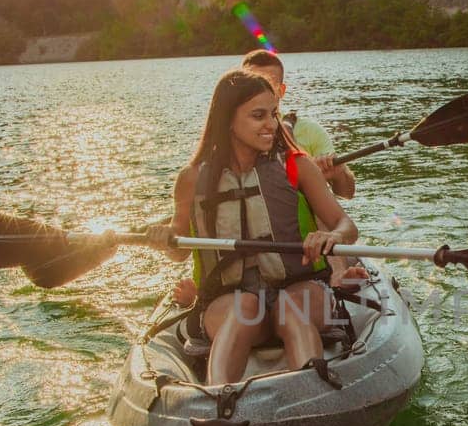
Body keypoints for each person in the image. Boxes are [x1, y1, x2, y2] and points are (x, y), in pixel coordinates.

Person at [146, 68, 357, 385]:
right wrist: (165, 239)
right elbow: (180, 250)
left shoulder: (297, 165)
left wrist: (331, 235)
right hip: (228, 298)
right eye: (258, 116)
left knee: (290, 310)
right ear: (228, 119)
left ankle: (311, 391)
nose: (270, 124)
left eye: (273, 114)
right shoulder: (191, 178)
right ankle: (218, 399)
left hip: (299, 289)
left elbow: (346, 225)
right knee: (243, 310)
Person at [240, 49, 355, 199]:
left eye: (269, 84)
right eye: (252, 86)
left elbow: (346, 194)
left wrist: (338, 173)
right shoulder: (231, 135)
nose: (261, 92)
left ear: (281, 91)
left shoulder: (311, 132)